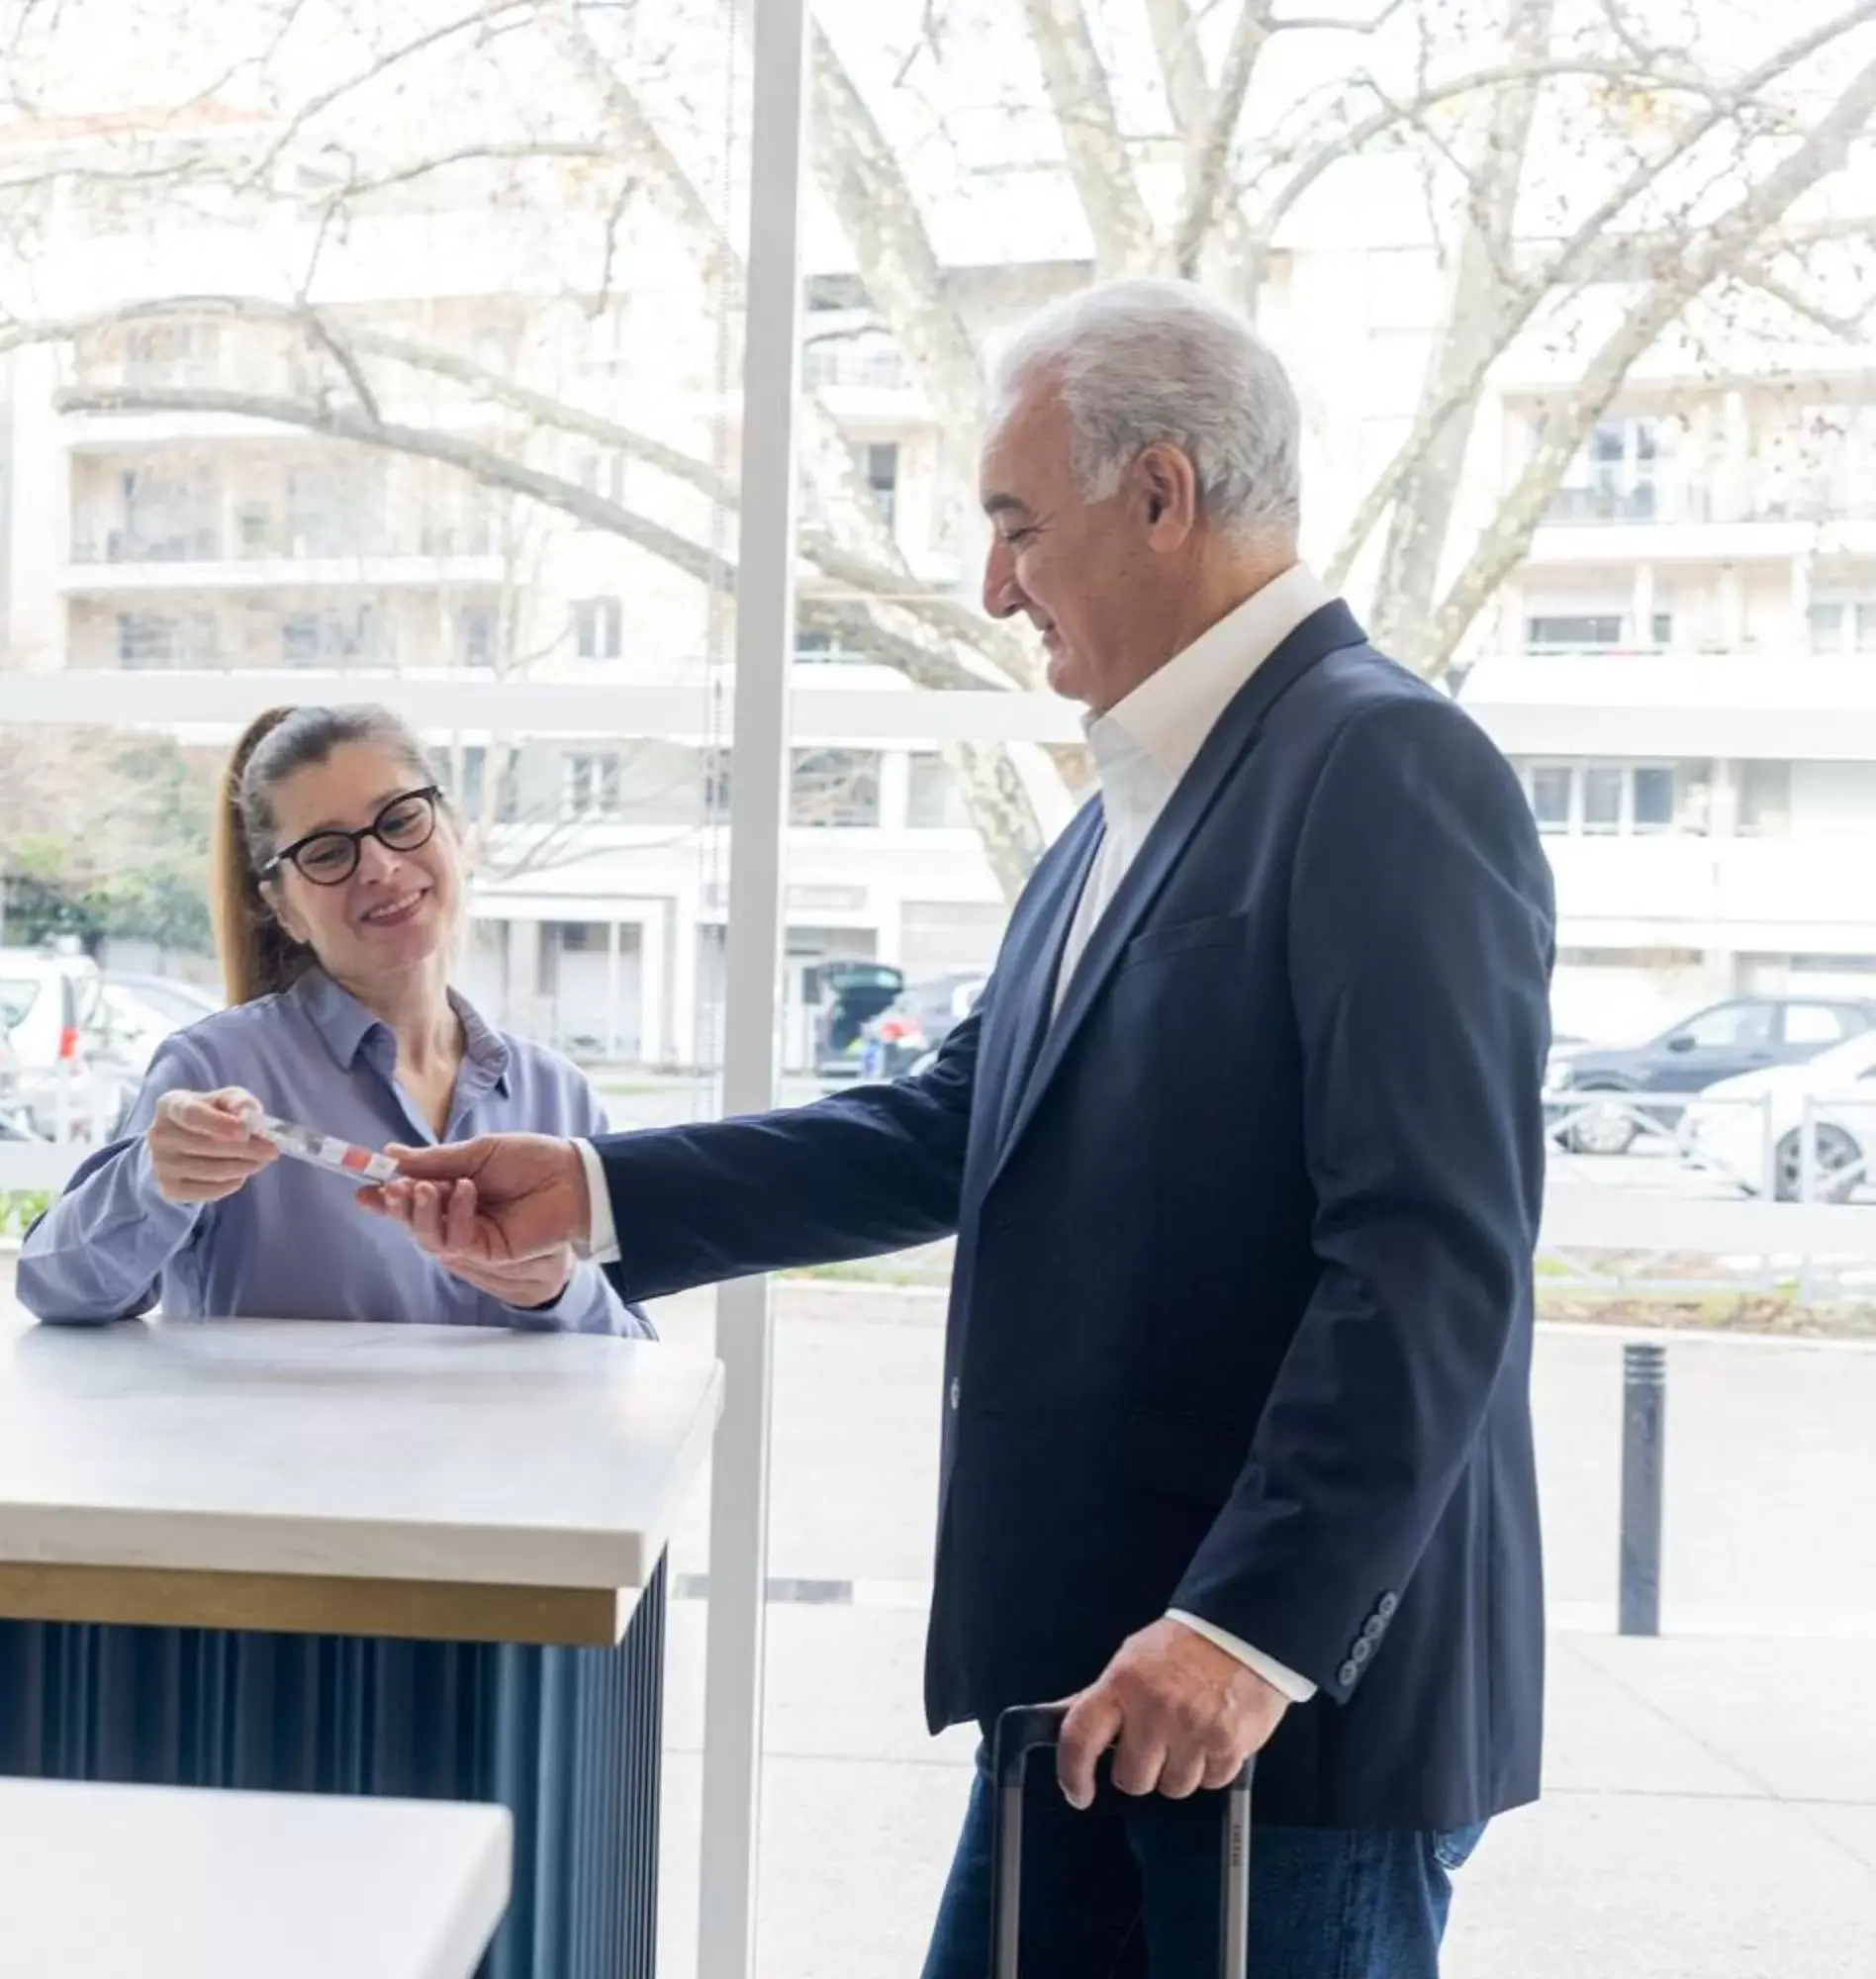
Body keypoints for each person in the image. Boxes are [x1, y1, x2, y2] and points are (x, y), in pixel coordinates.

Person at [367, 278, 1549, 1975]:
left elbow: (1432, 1259)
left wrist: (1245, 1631)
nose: (994, 586)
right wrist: (597, 1192)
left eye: (1015, 527)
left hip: (1267, 1722)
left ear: (1161, 495)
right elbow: (954, 1127)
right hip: (1088, 1683)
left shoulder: (1384, 769)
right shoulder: (1125, 811)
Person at [16, 702, 647, 1338]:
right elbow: (52, 1287)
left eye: (400, 819)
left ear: (454, 832)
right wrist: (153, 1179)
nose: (378, 866)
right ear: (282, 906)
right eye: (324, 852)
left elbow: (636, 1354)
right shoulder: (216, 1072)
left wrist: (559, 1291)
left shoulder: (559, 1098)